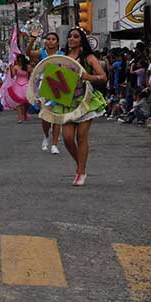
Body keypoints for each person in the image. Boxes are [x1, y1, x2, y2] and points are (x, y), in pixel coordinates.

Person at [61, 28, 108, 186]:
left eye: (75, 36)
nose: (71, 39)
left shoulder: (89, 58)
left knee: (81, 136)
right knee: (67, 138)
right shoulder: (63, 58)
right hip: (66, 102)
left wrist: (89, 77)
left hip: (86, 101)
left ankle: (80, 171)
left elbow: (103, 77)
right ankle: (81, 164)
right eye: (69, 36)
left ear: (81, 40)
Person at [26, 29, 64, 154]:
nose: (50, 41)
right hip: (43, 86)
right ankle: (47, 135)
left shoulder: (62, 54)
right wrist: (32, 38)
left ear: (57, 42)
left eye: (53, 39)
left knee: (57, 116)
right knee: (46, 116)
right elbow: (28, 53)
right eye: (48, 39)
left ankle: (54, 144)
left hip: (58, 86)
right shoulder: (41, 53)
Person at [9, 54, 31, 124]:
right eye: (18, 60)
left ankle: (25, 113)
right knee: (18, 102)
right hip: (17, 85)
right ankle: (20, 117)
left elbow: (31, 75)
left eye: (21, 61)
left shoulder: (28, 67)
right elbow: (12, 76)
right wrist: (10, 69)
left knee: (27, 102)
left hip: (26, 84)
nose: (20, 62)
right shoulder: (15, 67)